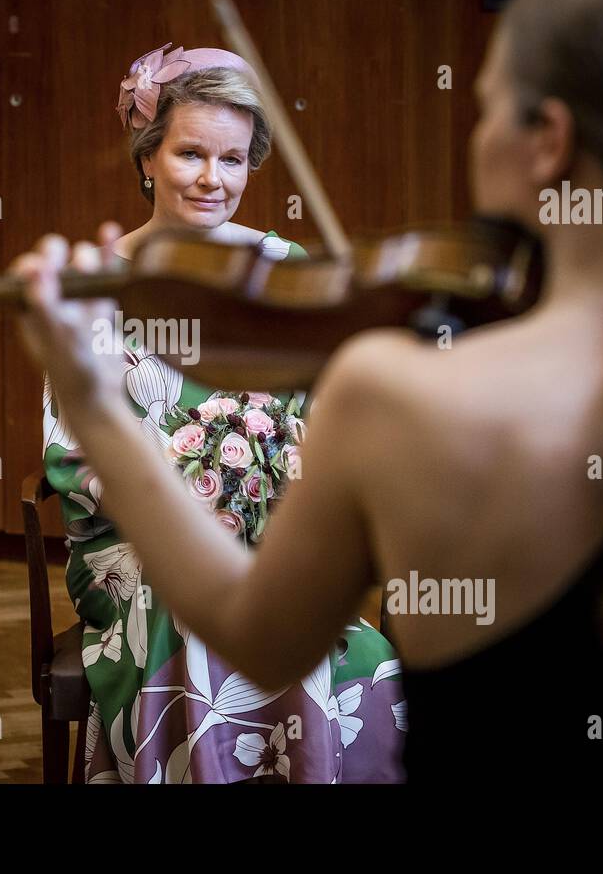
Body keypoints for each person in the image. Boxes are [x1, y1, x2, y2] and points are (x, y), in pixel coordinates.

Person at [15, 0, 603, 781]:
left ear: (549, 140)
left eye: (489, 104)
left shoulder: (398, 396)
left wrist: (96, 402)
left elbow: (261, 632)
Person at [42, 44, 406, 783]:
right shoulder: (95, 283)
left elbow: (327, 432)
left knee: (369, 659)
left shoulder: (286, 271)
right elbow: (71, 459)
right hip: (134, 554)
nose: (214, 178)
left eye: (233, 160)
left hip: (275, 545)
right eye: (191, 155)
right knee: (193, 607)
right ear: (147, 158)